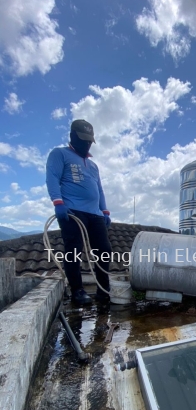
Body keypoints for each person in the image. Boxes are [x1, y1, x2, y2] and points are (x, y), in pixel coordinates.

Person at [46, 119, 112, 304]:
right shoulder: (60, 154)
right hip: (72, 210)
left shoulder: (93, 166)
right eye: (83, 139)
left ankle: (103, 290)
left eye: (90, 140)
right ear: (73, 136)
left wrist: (104, 211)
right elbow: (52, 177)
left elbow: (99, 189)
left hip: (95, 214)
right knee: (73, 250)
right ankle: (77, 291)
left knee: (104, 250)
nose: (87, 143)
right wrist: (58, 202)